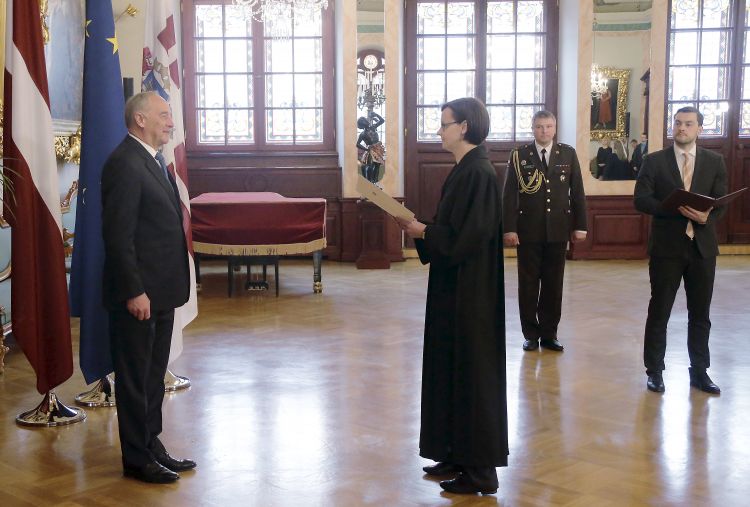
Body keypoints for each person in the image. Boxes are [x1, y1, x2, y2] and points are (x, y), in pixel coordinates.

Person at [395, 97, 508, 495]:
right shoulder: (465, 169)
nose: (439, 131)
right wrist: (424, 229)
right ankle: (454, 453)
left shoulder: (478, 172)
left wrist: (424, 231)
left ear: (464, 127)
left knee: (471, 374)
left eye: (444, 124)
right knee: (450, 367)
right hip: (453, 286)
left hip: (471, 291)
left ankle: (480, 471)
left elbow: (469, 238)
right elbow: (455, 228)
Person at [102, 91, 196, 483]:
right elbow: (118, 236)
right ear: (140, 119)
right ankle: (136, 459)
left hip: (162, 292)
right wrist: (133, 290)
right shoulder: (124, 163)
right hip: (139, 296)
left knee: (153, 375)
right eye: (164, 115)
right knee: (135, 379)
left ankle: (151, 443)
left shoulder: (152, 160)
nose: (171, 122)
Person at [634, 106, 727, 395]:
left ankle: (699, 371)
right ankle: (655, 371)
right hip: (667, 248)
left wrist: (707, 217)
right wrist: (671, 208)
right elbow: (641, 199)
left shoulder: (715, 161)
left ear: (699, 128)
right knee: (659, 310)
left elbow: (721, 201)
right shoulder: (654, 161)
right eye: (677, 123)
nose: (681, 128)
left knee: (700, 313)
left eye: (688, 124)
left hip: (702, 248)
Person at [503, 110, 587, 352]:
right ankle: (530, 334)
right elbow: (509, 195)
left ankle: (550, 334)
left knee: (553, 284)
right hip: (527, 230)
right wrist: (509, 228)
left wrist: (580, 225)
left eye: (549, 126)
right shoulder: (519, 155)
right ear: (533, 128)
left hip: (558, 230)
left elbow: (577, 192)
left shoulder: (567, 153)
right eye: (540, 126)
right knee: (528, 284)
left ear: (555, 128)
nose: (544, 131)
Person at [356, 112, 385, 183]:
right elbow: (357, 144)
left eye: (365, 120)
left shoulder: (373, 127)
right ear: (362, 124)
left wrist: (376, 114)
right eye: (364, 121)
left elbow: (382, 121)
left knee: (377, 165)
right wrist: (366, 149)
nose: (366, 121)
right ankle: (370, 181)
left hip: (378, 149)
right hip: (371, 150)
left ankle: (375, 180)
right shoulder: (362, 134)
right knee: (371, 166)